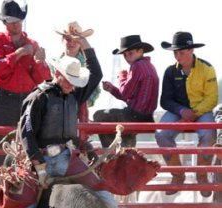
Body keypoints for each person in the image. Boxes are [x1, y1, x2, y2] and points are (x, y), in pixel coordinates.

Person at [11, 35, 115, 208]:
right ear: (58, 74)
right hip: (40, 159)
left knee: (107, 200)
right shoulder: (39, 97)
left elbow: (97, 72)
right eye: (70, 81)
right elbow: (26, 132)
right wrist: (38, 164)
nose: (73, 86)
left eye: (76, 82)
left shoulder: (74, 93)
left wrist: (84, 43)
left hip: (68, 158)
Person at [0, 0, 51, 204]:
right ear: (4, 22)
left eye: (17, 20)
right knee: (0, 154)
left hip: (27, 101)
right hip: (6, 101)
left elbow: (43, 78)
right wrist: (19, 53)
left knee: (28, 153)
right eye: (10, 21)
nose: (15, 24)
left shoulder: (30, 44)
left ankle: (17, 202)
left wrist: (40, 61)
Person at [155, 31, 218, 197]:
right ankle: (178, 174)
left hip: (201, 110)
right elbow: (165, 100)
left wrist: (194, 113)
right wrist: (182, 111)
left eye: (181, 52)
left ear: (191, 51)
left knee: (210, 134)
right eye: (175, 52)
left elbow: (212, 98)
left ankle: (202, 175)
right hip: (178, 111)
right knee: (161, 134)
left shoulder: (207, 69)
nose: (177, 55)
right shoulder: (170, 72)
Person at [93, 35, 159, 148]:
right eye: (124, 54)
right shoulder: (150, 66)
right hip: (147, 116)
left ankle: (111, 153)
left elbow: (125, 94)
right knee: (122, 125)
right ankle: (126, 150)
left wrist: (122, 76)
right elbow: (128, 95)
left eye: (130, 53)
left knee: (99, 115)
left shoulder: (137, 66)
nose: (127, 57)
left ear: (140, 51)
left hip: (134, 116)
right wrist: (112, 89)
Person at [54, 21, 101, 122]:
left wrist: (80, 100)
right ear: (63, 40)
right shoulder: (55, 62)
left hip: (77, 110)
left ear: (80, 42)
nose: (71, 43)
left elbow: (95, 90)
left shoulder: (86, 64)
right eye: (68, 39)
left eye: (75, 40)